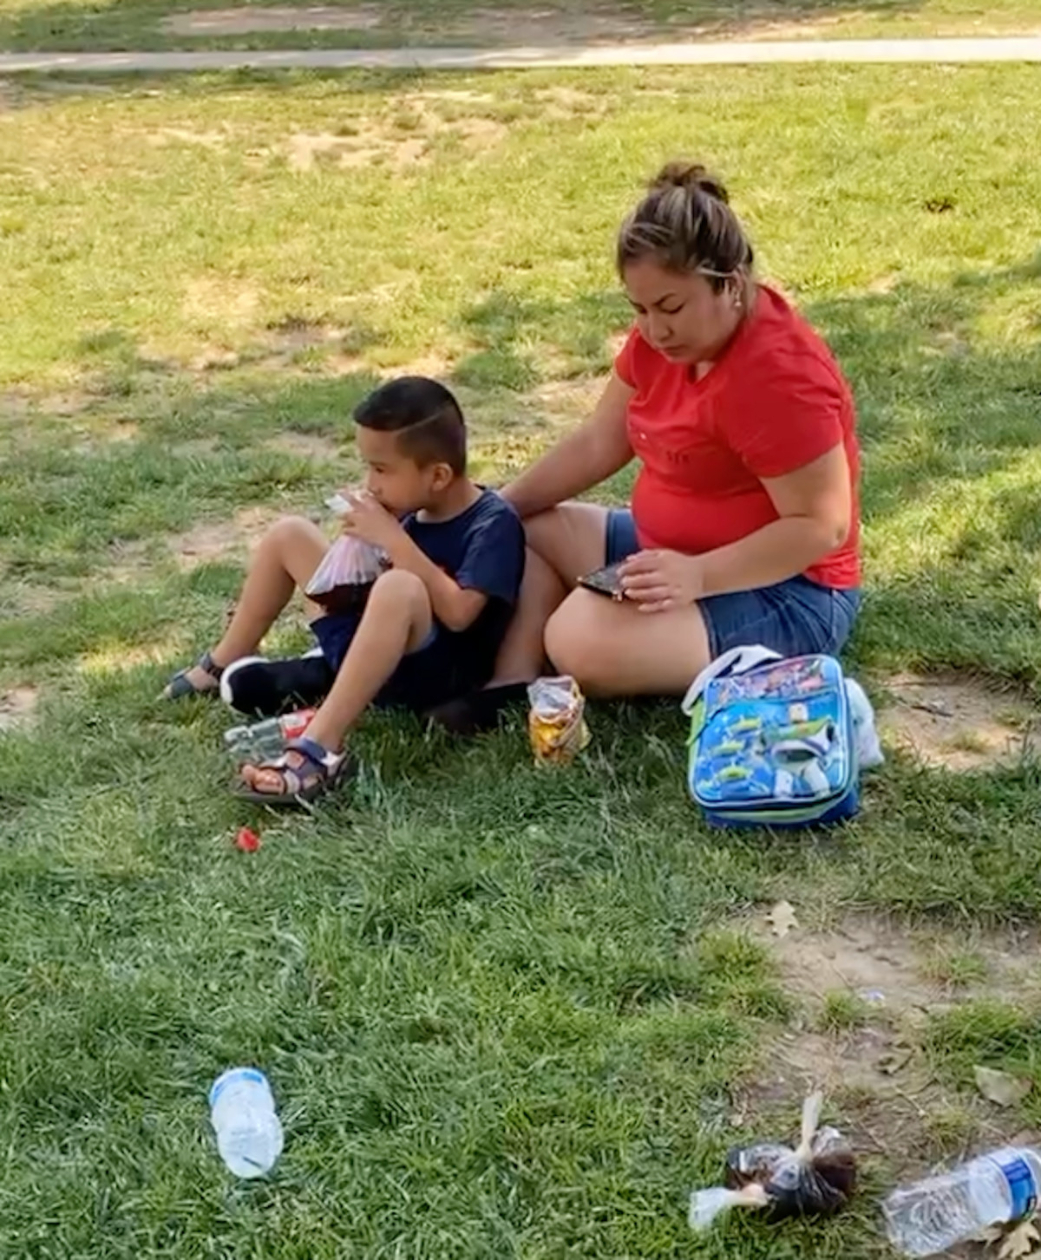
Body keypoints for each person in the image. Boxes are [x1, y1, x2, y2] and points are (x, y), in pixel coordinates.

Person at [441, 162, 861, 732]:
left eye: (670, 307)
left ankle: (561, 647)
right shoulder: (661, 343)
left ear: (730, 284)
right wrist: (489, 510)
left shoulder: (779, 378)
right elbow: (598, 443)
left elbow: (821, 526)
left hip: (786, 592)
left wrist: (700, 576)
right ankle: (513, 680)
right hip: (669, 553)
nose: (654, 330)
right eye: (639, 309)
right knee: (520, 528)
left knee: (576, 639)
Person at [164, 376, 525, 804]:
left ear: (439, 475)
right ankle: (223, 661)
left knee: (399, 587)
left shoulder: (492, 522)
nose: (370, 484)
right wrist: (354, 555)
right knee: (290, 534)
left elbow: (461, 613)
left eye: (381, 469)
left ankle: (319, 748)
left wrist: (393, 541)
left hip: (432, 677)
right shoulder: (409, 510)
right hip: (371, 650)